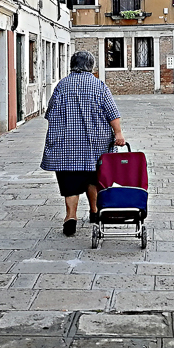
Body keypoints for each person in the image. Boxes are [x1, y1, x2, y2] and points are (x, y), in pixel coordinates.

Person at [41, 50, 126, 236]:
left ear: (72, 65)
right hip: (96, 144)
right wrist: (118, 134)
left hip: (67, 144)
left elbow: (51, 114)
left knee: (70, 179)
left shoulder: (62, 86)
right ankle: (95, 211)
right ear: (91, 66)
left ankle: (71, 217)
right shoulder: (99, 86)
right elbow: (112, 114)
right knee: (93, 177)